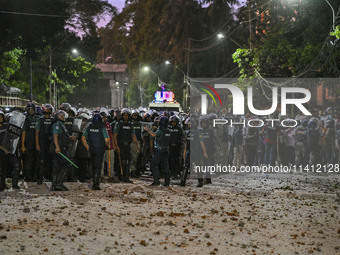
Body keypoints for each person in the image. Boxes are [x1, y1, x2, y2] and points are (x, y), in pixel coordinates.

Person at [82, 113, 110, 190]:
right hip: (100, 149)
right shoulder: (102, 127)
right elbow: (107, 139)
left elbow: (83, 137)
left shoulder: (89, 126)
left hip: (92, 149)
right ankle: (96, 184)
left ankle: (93, 180)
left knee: (93, 165)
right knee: (98, 166)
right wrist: (108, 145)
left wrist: (87, 147)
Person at [113, 108, 140, 183]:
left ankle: (126, 177)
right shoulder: (118, 124)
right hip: (120, 145)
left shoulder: (131, 125)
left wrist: (137, 144)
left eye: (127, 115)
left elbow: (133, 135)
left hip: (128, 145)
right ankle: (120, 176)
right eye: (124, 115)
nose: (125, 117)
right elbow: (114, 135)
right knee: (121, 161)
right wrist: (116, 146)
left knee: (128, 161)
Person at [51, 110, 75, 191]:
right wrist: (57, 147)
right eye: (62, 116)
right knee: (66, 164)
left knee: (57, 166)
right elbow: (55, 136)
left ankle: (55, 184)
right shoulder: (57, 124)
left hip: (61, 147)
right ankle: (59, 184)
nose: (63, 117)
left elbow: (63, 135)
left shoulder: (61, 124)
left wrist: (69, 137)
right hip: (60, 148)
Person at [143, 116, 171, 186]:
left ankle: (156, 181)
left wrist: (148, 129)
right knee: (165, 166)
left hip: (159, 150)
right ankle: (167, 182)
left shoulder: (161, 130)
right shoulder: (168, 130)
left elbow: (154, 135)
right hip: (166, 150)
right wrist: (155, 129)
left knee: (154, 165)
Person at [35, 103, 54, 184]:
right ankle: (40, 177)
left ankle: (49, 176)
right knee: (41, 161)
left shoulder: (53, 119)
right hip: (42, 142)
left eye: (49, 110)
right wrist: (37, 144)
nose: (48, 111)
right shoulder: (40, 119)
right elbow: (37, 132)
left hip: (51, 142)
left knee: (50, 160)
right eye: (46, 109)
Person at [21, 103, 37, 181]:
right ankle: (27, 176)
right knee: (28, 160)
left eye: (32, 109)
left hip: (36, 143)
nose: (31, 111)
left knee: (35, 160)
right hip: (28, 143)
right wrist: (23, 145)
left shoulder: (38, 118)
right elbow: (23, 132)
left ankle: (34, 176)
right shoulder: (26, 119)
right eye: (29, 110)